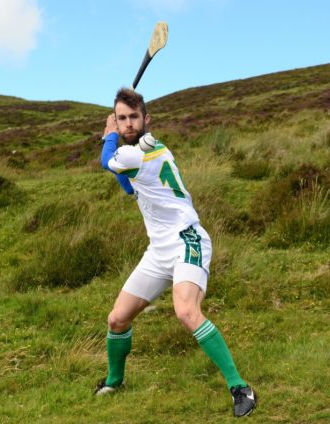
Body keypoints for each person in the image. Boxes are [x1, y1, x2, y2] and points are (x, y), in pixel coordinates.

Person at [95, 88, 257, 418]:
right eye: (122, 118)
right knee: (117, 318)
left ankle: (240, 387)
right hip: (159, 250)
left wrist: (108, 136)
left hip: (187, 239)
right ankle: (114, 381)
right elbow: (128, 186)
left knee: (185, 311)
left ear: (146, 119)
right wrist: (118, 152)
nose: (128, 124)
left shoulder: (136, 152)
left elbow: (106, 161)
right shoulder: (151, 149)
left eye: (133, 117)